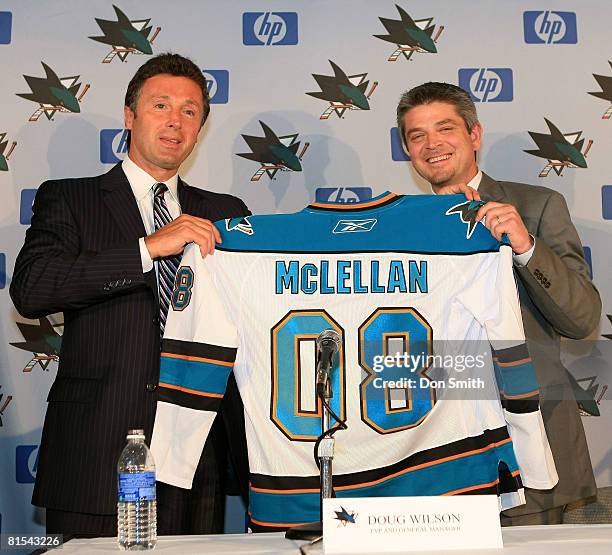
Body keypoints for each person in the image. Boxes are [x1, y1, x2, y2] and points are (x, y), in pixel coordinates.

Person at [10, 53, 249, 538]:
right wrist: (147, 249)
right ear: (130, 116)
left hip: (197, 454)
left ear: (200, 126)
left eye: (190, 111)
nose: (175, 121)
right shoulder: (71, 198)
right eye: (161, 105)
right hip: (95, 449)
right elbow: (33, 288)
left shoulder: (225, 212)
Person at [396, 81, 601, 525]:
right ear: (407, 149)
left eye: (445, 128)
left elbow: (583, 319)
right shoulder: (395, 225)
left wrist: (525, 246)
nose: (432, 144)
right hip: (430, 452)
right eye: (417, 135)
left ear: (474, 135)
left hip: (530, 451)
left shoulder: (537, 205)